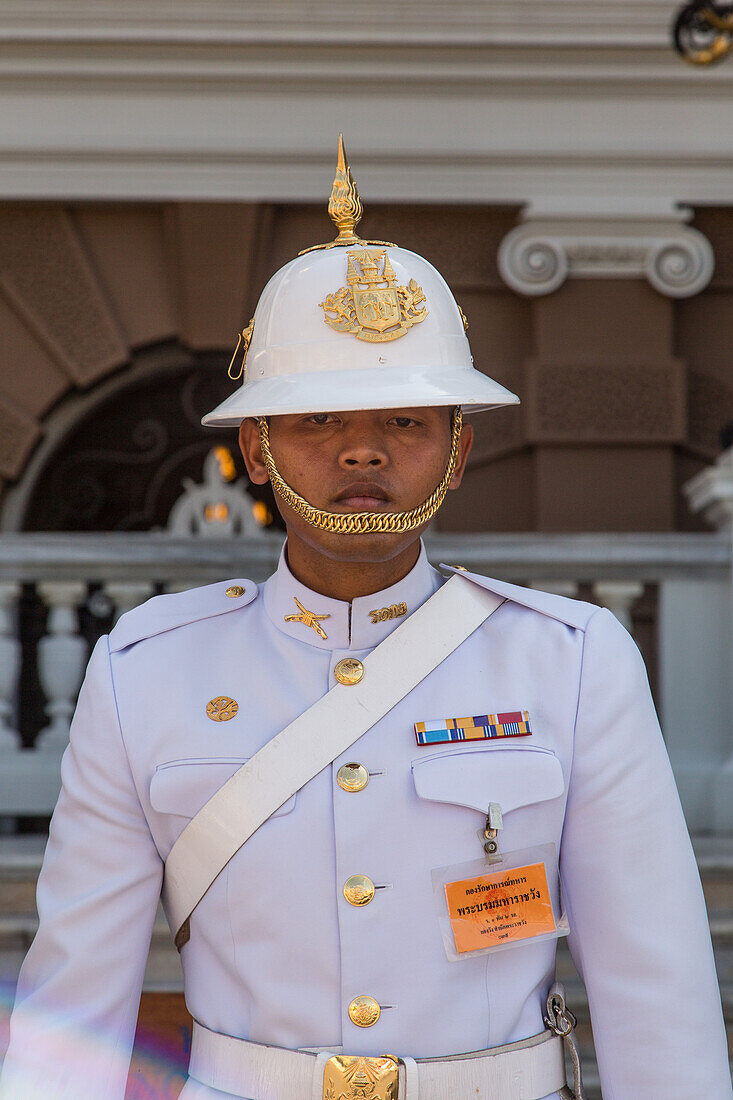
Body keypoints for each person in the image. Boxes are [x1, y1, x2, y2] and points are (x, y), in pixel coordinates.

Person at [1, 137, 731, 1100]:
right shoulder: (145, 671)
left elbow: (656, 991)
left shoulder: (569, 660)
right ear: (256, 452)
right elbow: (74, 1009)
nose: (362, 453)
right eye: (318, 423)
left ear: (457, 452)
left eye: (404, 421)